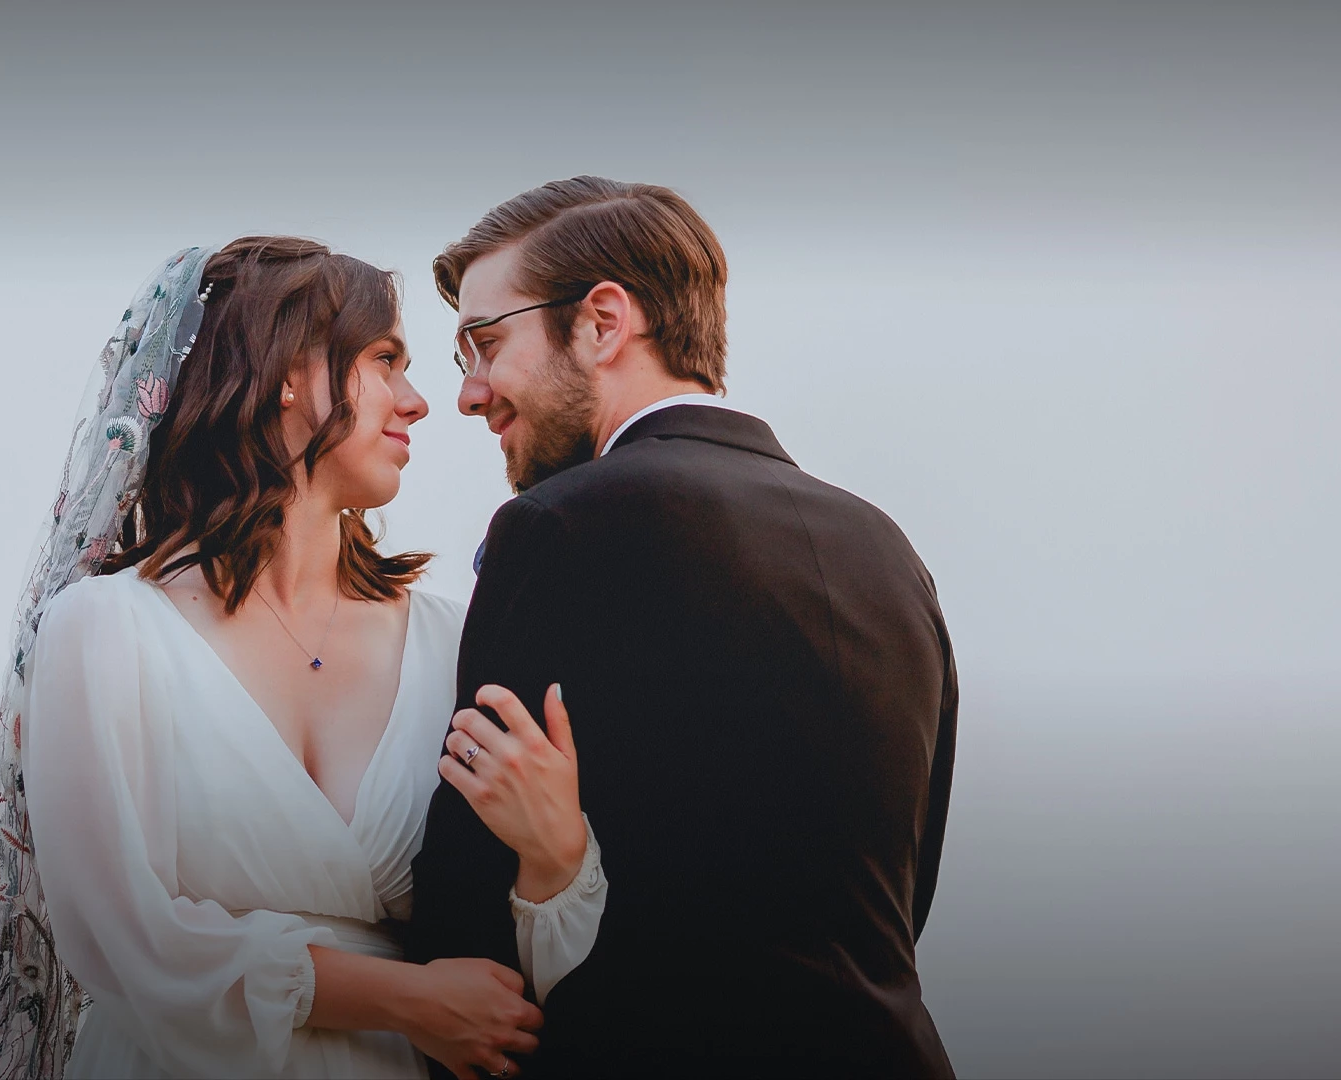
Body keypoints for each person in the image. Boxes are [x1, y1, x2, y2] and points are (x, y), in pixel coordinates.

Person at [0, 237, 605, 1080]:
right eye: (385, 360)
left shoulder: (456, 641)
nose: (419, 402)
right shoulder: (105, 631)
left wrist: (555, 861)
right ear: (289, 373)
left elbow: (530, 966)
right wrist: (406, 1000)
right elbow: (122, 940)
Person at [405, 178, 960, 1077]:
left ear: (603, 322)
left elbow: (471, 898)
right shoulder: (888, 552)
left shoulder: (563, 524)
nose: (469, 394)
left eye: (484, 344)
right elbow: (903, 896)